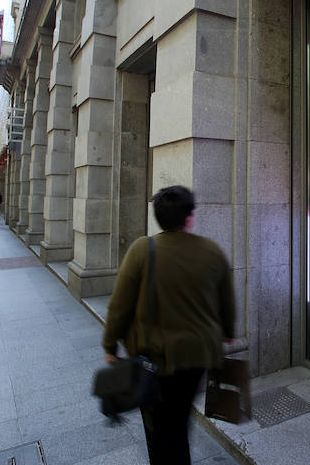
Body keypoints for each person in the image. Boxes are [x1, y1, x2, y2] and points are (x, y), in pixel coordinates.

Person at [102, 186, 235, 464]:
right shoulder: (211, 251)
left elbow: (119, 305)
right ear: (189, 218)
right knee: (178, 418)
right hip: (198, 357)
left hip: (154, 359)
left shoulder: (142, 249)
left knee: (158, 426)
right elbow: (227, 301)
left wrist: (110, 344)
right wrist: (228, 332)